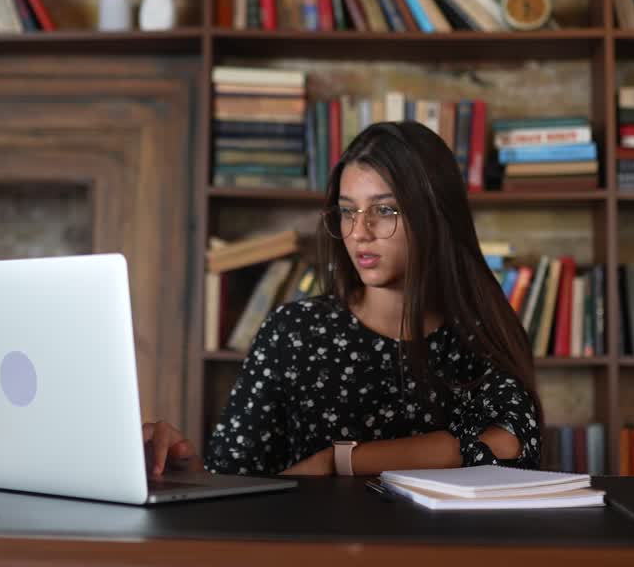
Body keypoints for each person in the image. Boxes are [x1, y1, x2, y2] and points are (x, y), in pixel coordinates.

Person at [144, 121, 543, 477]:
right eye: (348, 211)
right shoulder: (295, 332)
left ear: (435, 217)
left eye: (385, 210)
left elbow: (510, 447)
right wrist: (181, 465)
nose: (359, 232)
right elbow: (230, 482)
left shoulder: (480, 336)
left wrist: (337, 460)